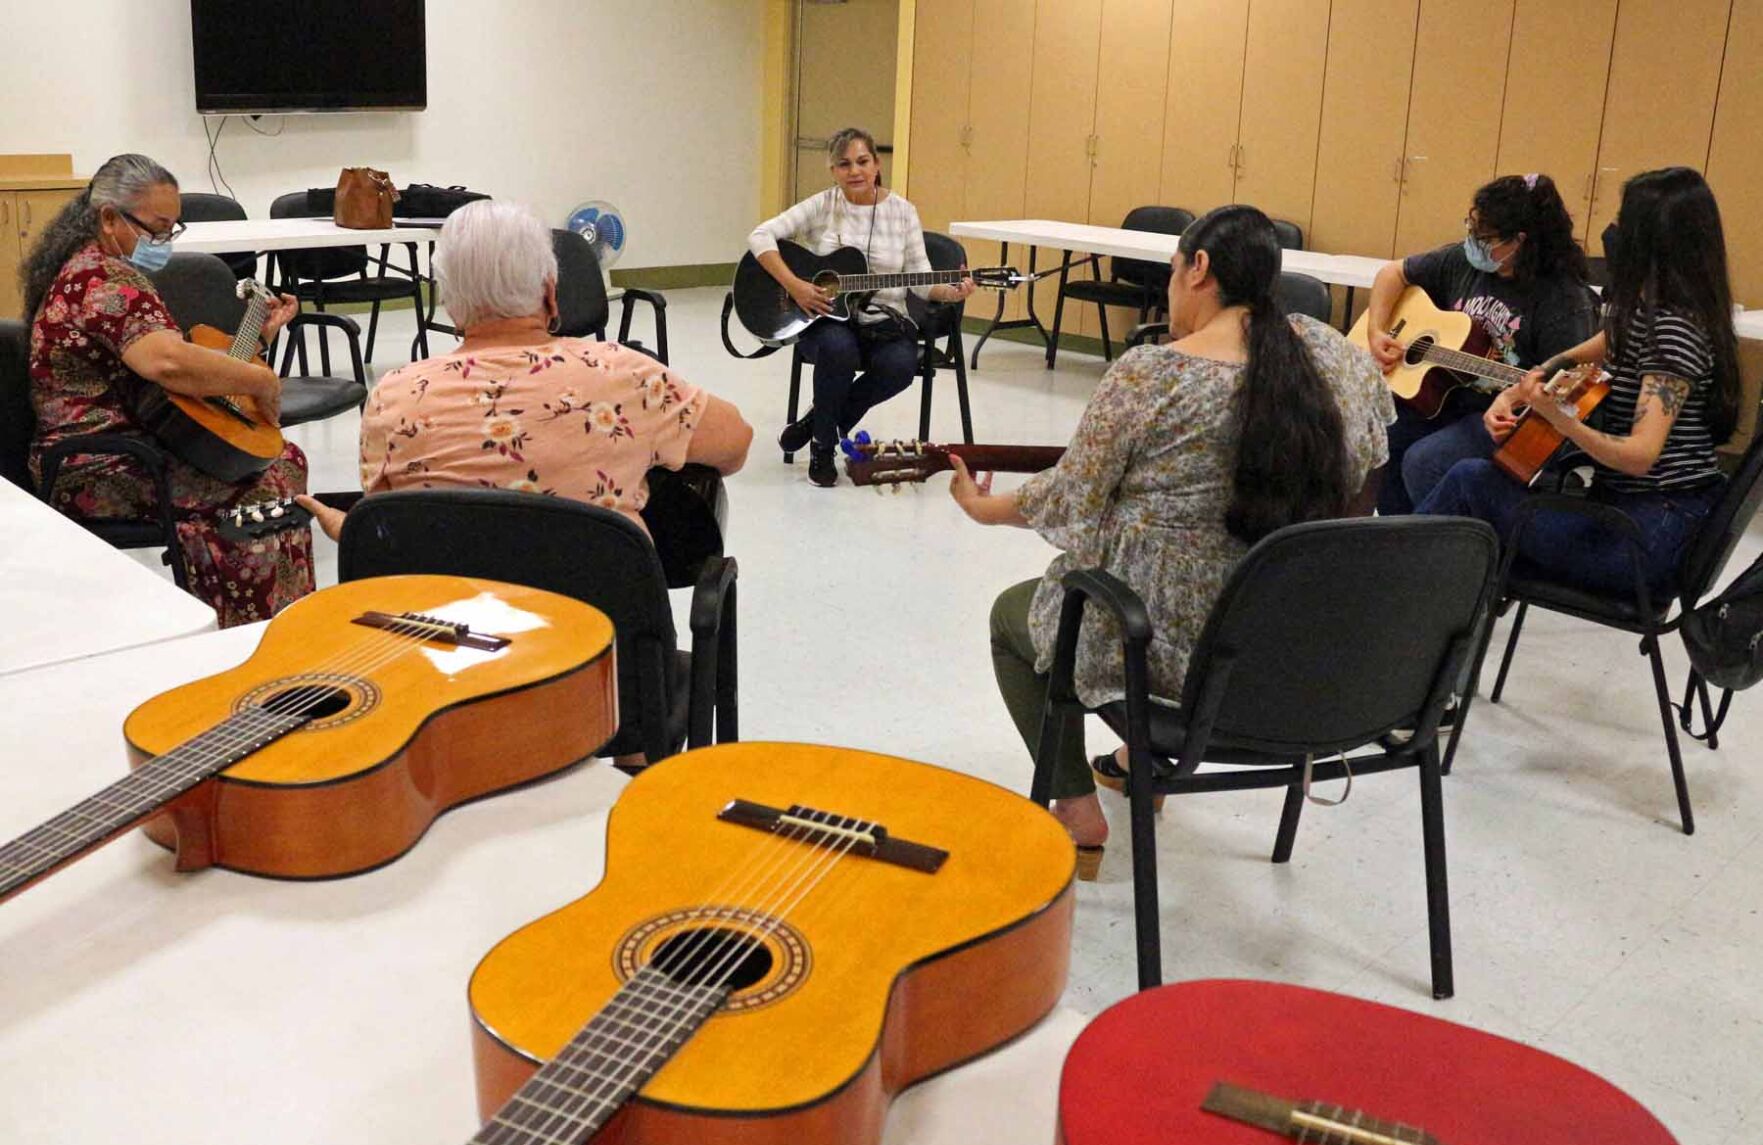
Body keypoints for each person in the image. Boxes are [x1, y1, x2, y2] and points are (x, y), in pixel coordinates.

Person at [952, 206, 1394, 870]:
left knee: (1014, 619)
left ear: (1199, 269)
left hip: (1169, 656)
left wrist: (982, 507)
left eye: (1169, 272)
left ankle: (1075, 808)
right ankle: (1139, 770)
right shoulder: (1332, 353)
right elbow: (1372, 464)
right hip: (1294, 650)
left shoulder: (1149, 373)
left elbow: (1069, 500)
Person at [301, 199, 751, 537]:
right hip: (603, 646)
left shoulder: (394, 397)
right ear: (551, 293)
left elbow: (388, 531)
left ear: (452, 306)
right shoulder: (625, 376)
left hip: (453, 647)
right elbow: (735, 444)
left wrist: (344, 528)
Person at [1417, 167, 1740, 598]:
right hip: (1628, 514)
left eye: (1625, 223)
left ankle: (1389, 587)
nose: (1614, 233)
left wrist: (1562, 420)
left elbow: (1640, 456)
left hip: (1646, 538)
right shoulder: (1643, 313)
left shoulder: (1672, 333)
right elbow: (1574, 356)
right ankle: (1416, 597)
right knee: (1471, 485)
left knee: (1468, 482)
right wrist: (1514, 394)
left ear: (1653, 240)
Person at [22, 153, 312, 628]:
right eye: (156, 228)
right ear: (109, 218)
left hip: (140, 445)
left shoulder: (101, 268)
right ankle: (245, 634)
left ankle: (278, 624)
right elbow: (169, 362)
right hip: (95, 465)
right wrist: (261, 379)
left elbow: (174, 374)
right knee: (265, 482)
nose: (162, 243)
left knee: (283, 463)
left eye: (171, 230)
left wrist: (258, 337)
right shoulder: (99, 281)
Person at [746, 127, 974, 487]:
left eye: (862, 161)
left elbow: (923, 280)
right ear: (833, 171)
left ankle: (819, 422)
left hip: (886, 321)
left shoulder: (902, 212)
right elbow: (759, 236)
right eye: (844, 164)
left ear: (877, 164)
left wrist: (953, 292)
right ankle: (823, 447)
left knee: (899, 366)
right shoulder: (824, 204)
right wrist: (797, 287)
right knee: (839, 349)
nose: (855, 171)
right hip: (825, 318)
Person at [1363, 174, 1598, 514]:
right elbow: (1392, 274)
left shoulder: (1564, 301)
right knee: (1378, 436)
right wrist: (1376, 330)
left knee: (1424, 461)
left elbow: (1570, 388)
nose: (1473, 241)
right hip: (1444, 399)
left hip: (1499, 418)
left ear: (1519, 241)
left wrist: (1515, 401)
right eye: (1471, 229)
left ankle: (1442, 553)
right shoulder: (1462, 261)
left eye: (1484, 237)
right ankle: (1398, 540)